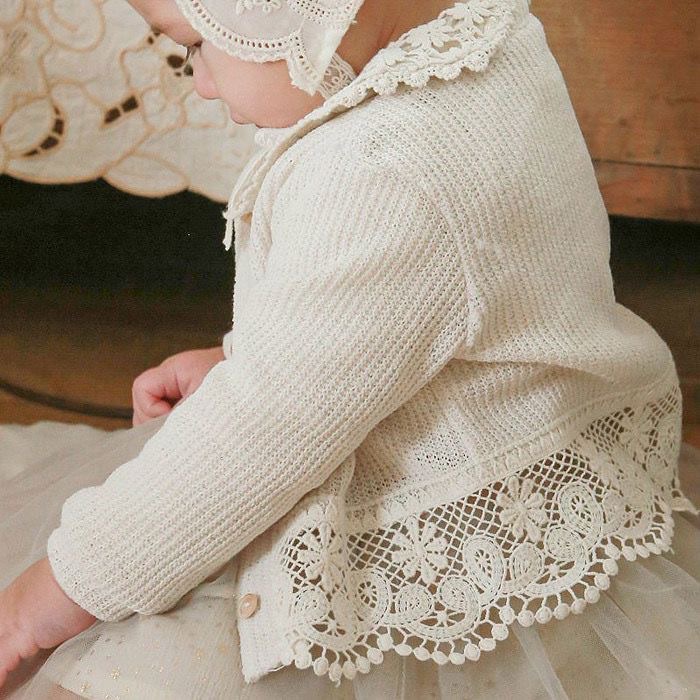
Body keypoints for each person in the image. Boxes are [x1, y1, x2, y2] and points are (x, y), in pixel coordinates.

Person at [1, 0, 699, 697]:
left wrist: (39, 609)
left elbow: (260, 441)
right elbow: (428, 316)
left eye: (195, 46)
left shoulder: (384, 169)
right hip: (549, 462)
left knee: (144, 636)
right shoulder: (491, 37)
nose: (201, 85)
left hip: (438, 555)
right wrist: (251, 358)